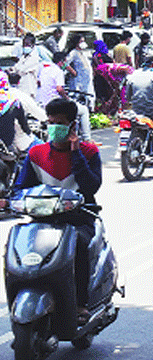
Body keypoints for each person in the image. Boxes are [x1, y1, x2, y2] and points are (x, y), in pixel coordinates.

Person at [12, 98, 101, 323]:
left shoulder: (89, 152)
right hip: (42, 221)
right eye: (50, 122)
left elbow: (91, 186)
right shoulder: (36, 154)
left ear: (73, 125)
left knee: (78, 246)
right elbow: (22, 189)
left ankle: (80, 303)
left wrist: (75, 153)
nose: (54, 127)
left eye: (59, 122)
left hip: (78, 220)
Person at [63, 35, 94, 141]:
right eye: (81, 41)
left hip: (85, 84)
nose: (83, 43)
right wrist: (73, 72)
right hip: (77, 85)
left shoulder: (82, 53)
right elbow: (65, 63)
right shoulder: (73, 53)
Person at [13, 33, 41, 99]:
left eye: (28, 45)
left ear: (33, 45)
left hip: (29, 87)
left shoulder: (34, 58)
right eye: (24, 44)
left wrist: (15, 70)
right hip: (21, 86)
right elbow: (16, 66)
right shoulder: (24, 56)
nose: (25, 47)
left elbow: (22, 69)